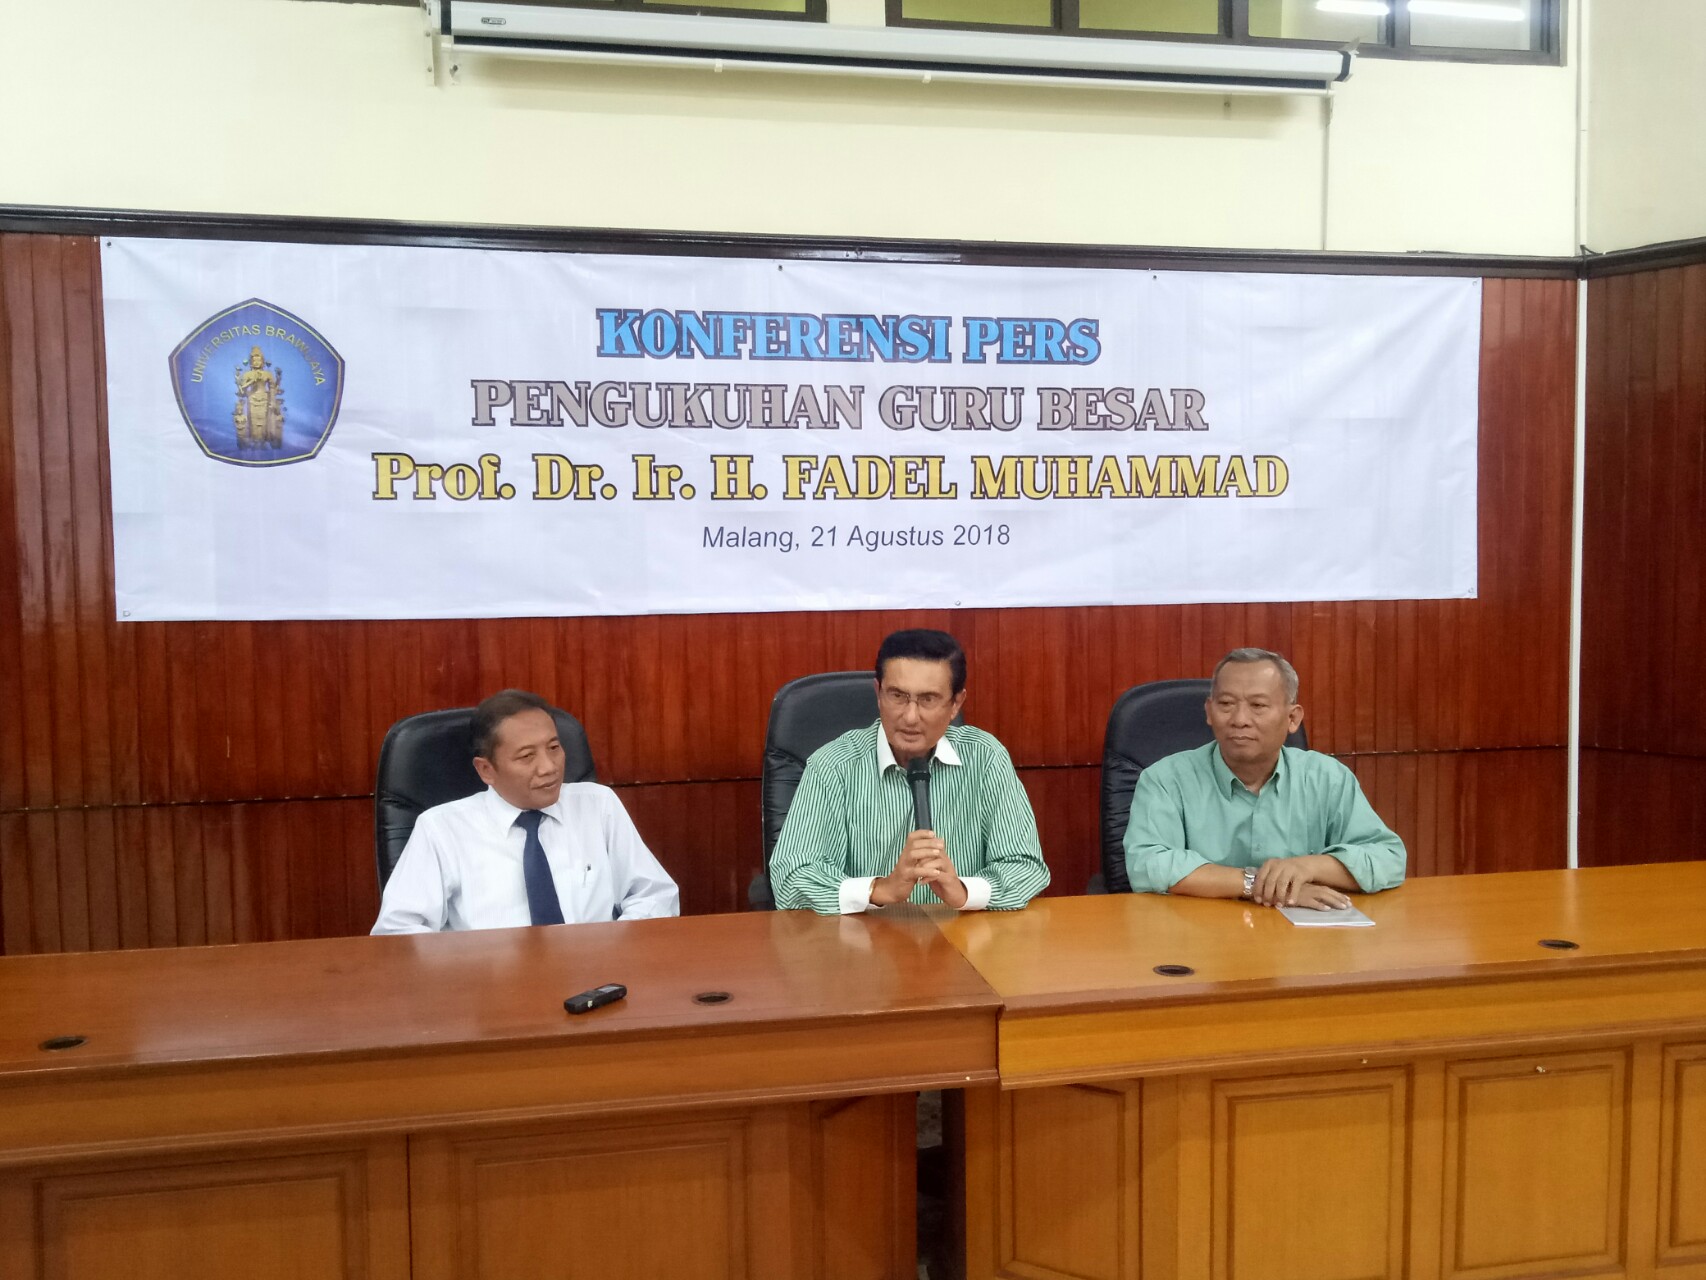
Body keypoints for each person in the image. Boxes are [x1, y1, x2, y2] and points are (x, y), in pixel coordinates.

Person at [771, 629, 1050, 915]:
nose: (910, 717)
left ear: (956, 704)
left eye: (928, 699)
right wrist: (881, 889)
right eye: (898, 696)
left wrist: (964, 891)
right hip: (865, 948)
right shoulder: (834, 765)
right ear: (878, 693)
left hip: (965, 944)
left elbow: (1026, 867)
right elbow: (791, 880)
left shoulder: (985, 757)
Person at [372, 689, 679, 933]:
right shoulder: (441, 829)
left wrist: (610, 946)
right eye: (527, 756)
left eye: (554, 748)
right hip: (487, 995)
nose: (549, 768)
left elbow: (655, 895)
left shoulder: (598, 805)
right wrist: (473, 969)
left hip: (595, 983)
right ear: (486, 770)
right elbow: (398, 932)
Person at [1123, 647, 1406, 908]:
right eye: (1226, 704)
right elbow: (1148, 865)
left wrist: (1308, 867)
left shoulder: (1327, 778)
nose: (1239, 719)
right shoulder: (1165, 780)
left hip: (1302, 944)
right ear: (1209, 712)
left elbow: (1388, 858)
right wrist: (1258, 883)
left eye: (1258, 706)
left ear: (1292, 718)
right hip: (1200, 940)